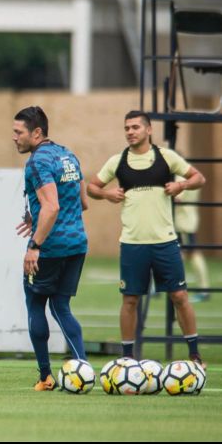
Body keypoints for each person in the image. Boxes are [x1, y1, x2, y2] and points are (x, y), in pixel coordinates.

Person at [87, 110, 207, 367]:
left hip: (165, 242)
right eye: (127, 128)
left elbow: (198, 177)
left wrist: (181, 186)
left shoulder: (166, 157)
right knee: (130, 300)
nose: (130, 132)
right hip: (132, 244)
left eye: (135, 127)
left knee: (180, 296)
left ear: (148, 130)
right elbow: (91, 187)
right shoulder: (117, 161)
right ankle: (128, 358)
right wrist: (107, 194)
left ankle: (195, 355)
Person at [12, 106, 89, 391]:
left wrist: (34, 245)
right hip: (77, 243)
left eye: (18, 132)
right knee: (61, 307)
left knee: (36, 304)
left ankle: (45, 377)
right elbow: (82, 202)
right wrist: (37, 216)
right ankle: (84, 368)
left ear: (36, 133)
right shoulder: (68, 155)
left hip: (51, 247)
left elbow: (52, 206)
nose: (14, 137)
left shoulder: (37, 162)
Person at [174, 175, 210, 303]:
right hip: (187, 221)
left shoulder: (180, 178)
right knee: (184, 254)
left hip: (183, 224)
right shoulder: (192, 177)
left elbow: (178, 198)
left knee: (192, 254)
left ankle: (204, 290)